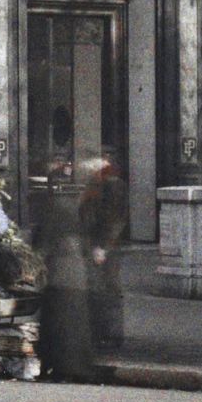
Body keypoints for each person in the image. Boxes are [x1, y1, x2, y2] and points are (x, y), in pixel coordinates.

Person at [35, 160, 95, 381]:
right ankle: (77, 366)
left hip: (59, 272)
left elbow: (42, 239)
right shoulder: (77, 206)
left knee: (57, 322)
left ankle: (57, 365)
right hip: (77, 273)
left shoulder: (53, 206)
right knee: (76, 322)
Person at [80, 153, 128, 351]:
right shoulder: (100, 184)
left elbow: (115, 218)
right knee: (102, 289)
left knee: (108, 288)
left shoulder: (111, 185)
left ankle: (110, 334)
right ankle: (103, 332)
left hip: (103, 245)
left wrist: (104, 247)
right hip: (98, 244)